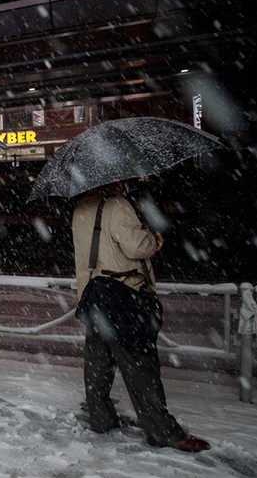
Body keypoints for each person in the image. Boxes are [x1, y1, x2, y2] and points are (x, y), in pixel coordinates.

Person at [72, 180, 210, 452]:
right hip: (123, 297)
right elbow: (137, 248)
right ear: (113, 179)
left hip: (94, 295)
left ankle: (101, 418)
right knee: (141, 366)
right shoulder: (118, 206)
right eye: (123, 181)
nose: (126, 185)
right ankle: (163, 432)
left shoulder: (80, 209)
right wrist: (152, 237)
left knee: (98, 364)